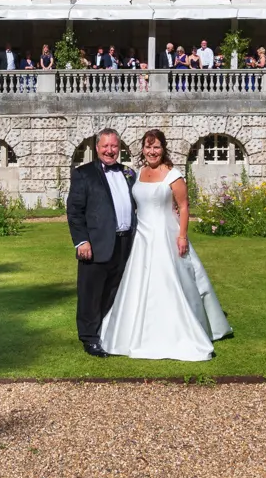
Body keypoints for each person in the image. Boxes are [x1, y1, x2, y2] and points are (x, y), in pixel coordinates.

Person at [95, 129, 232, 361]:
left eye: (156, 147)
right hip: (142, 237)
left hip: (165, 235)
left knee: (168, 283)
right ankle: (132, 333)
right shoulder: (138, 174)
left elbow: (184, 206)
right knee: (137, 285)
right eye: (148, 147)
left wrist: (182, 236)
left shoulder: (173, 175)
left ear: (163, 149)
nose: (152, 152)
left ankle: (177, 331)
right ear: (143, 150)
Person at [66, 129, 135, 357]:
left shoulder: (129, 173)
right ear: (97, 148)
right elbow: (75, 211)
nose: (110, 151)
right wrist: (82, 241)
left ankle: (106, 332)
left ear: (120, 147)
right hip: (94, 245)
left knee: (114, 291)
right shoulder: (83, 174)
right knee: (90, 293)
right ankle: (89, 338)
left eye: (114, 146)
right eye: (105, 146)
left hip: (125, 244)